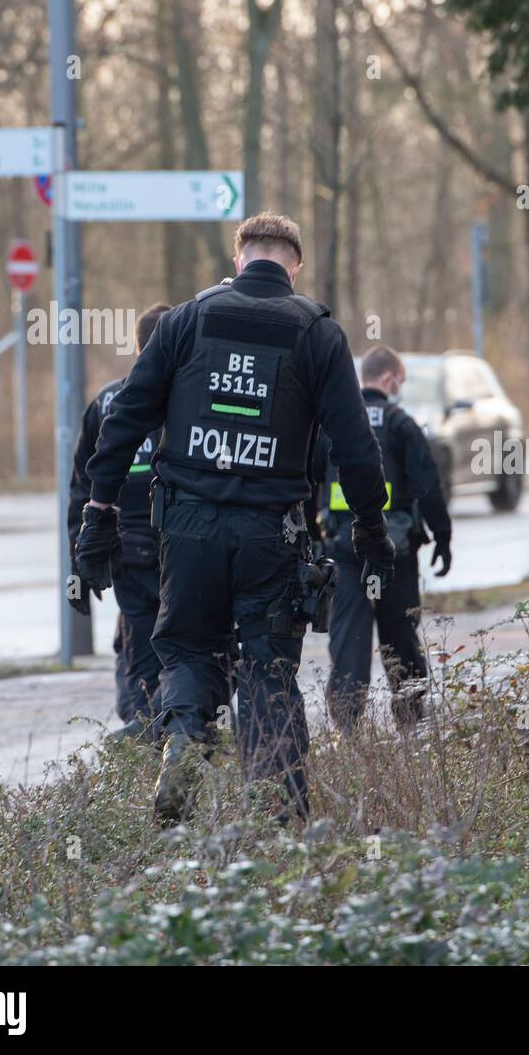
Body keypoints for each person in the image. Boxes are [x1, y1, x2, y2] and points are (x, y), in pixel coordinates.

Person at [73, 212, 394, 824]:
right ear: (294, 266)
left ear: (239, 256)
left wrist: (99, 511)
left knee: (190, 651)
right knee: (267, 666)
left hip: (187, 530)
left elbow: (125, 419)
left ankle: (186, 741)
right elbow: (354, 446)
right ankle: (280, 815)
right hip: (270, 534)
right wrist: (371, 527)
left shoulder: (186, 320)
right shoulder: (318, 333)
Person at [316, 345, 452, 730]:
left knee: (348, 642)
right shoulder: (401, 424)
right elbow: (428, 487)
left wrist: (311, 540)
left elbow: (308, 482)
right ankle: (411, 723)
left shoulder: (333, 423)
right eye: (401, 383)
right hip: (394, 554)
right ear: (390, 380)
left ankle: (347, 728)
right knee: (400, 639)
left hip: (343, 550)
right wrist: (442, 537)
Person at [68, 302, 171, 742]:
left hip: (125, 551)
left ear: (136, 345)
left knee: (141, 650)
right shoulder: (188, 394)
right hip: (181, 549)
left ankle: (144, 740)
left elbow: (81, 489)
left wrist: (82, 557)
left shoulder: (106, 402)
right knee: (193, 649)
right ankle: (178, 741)